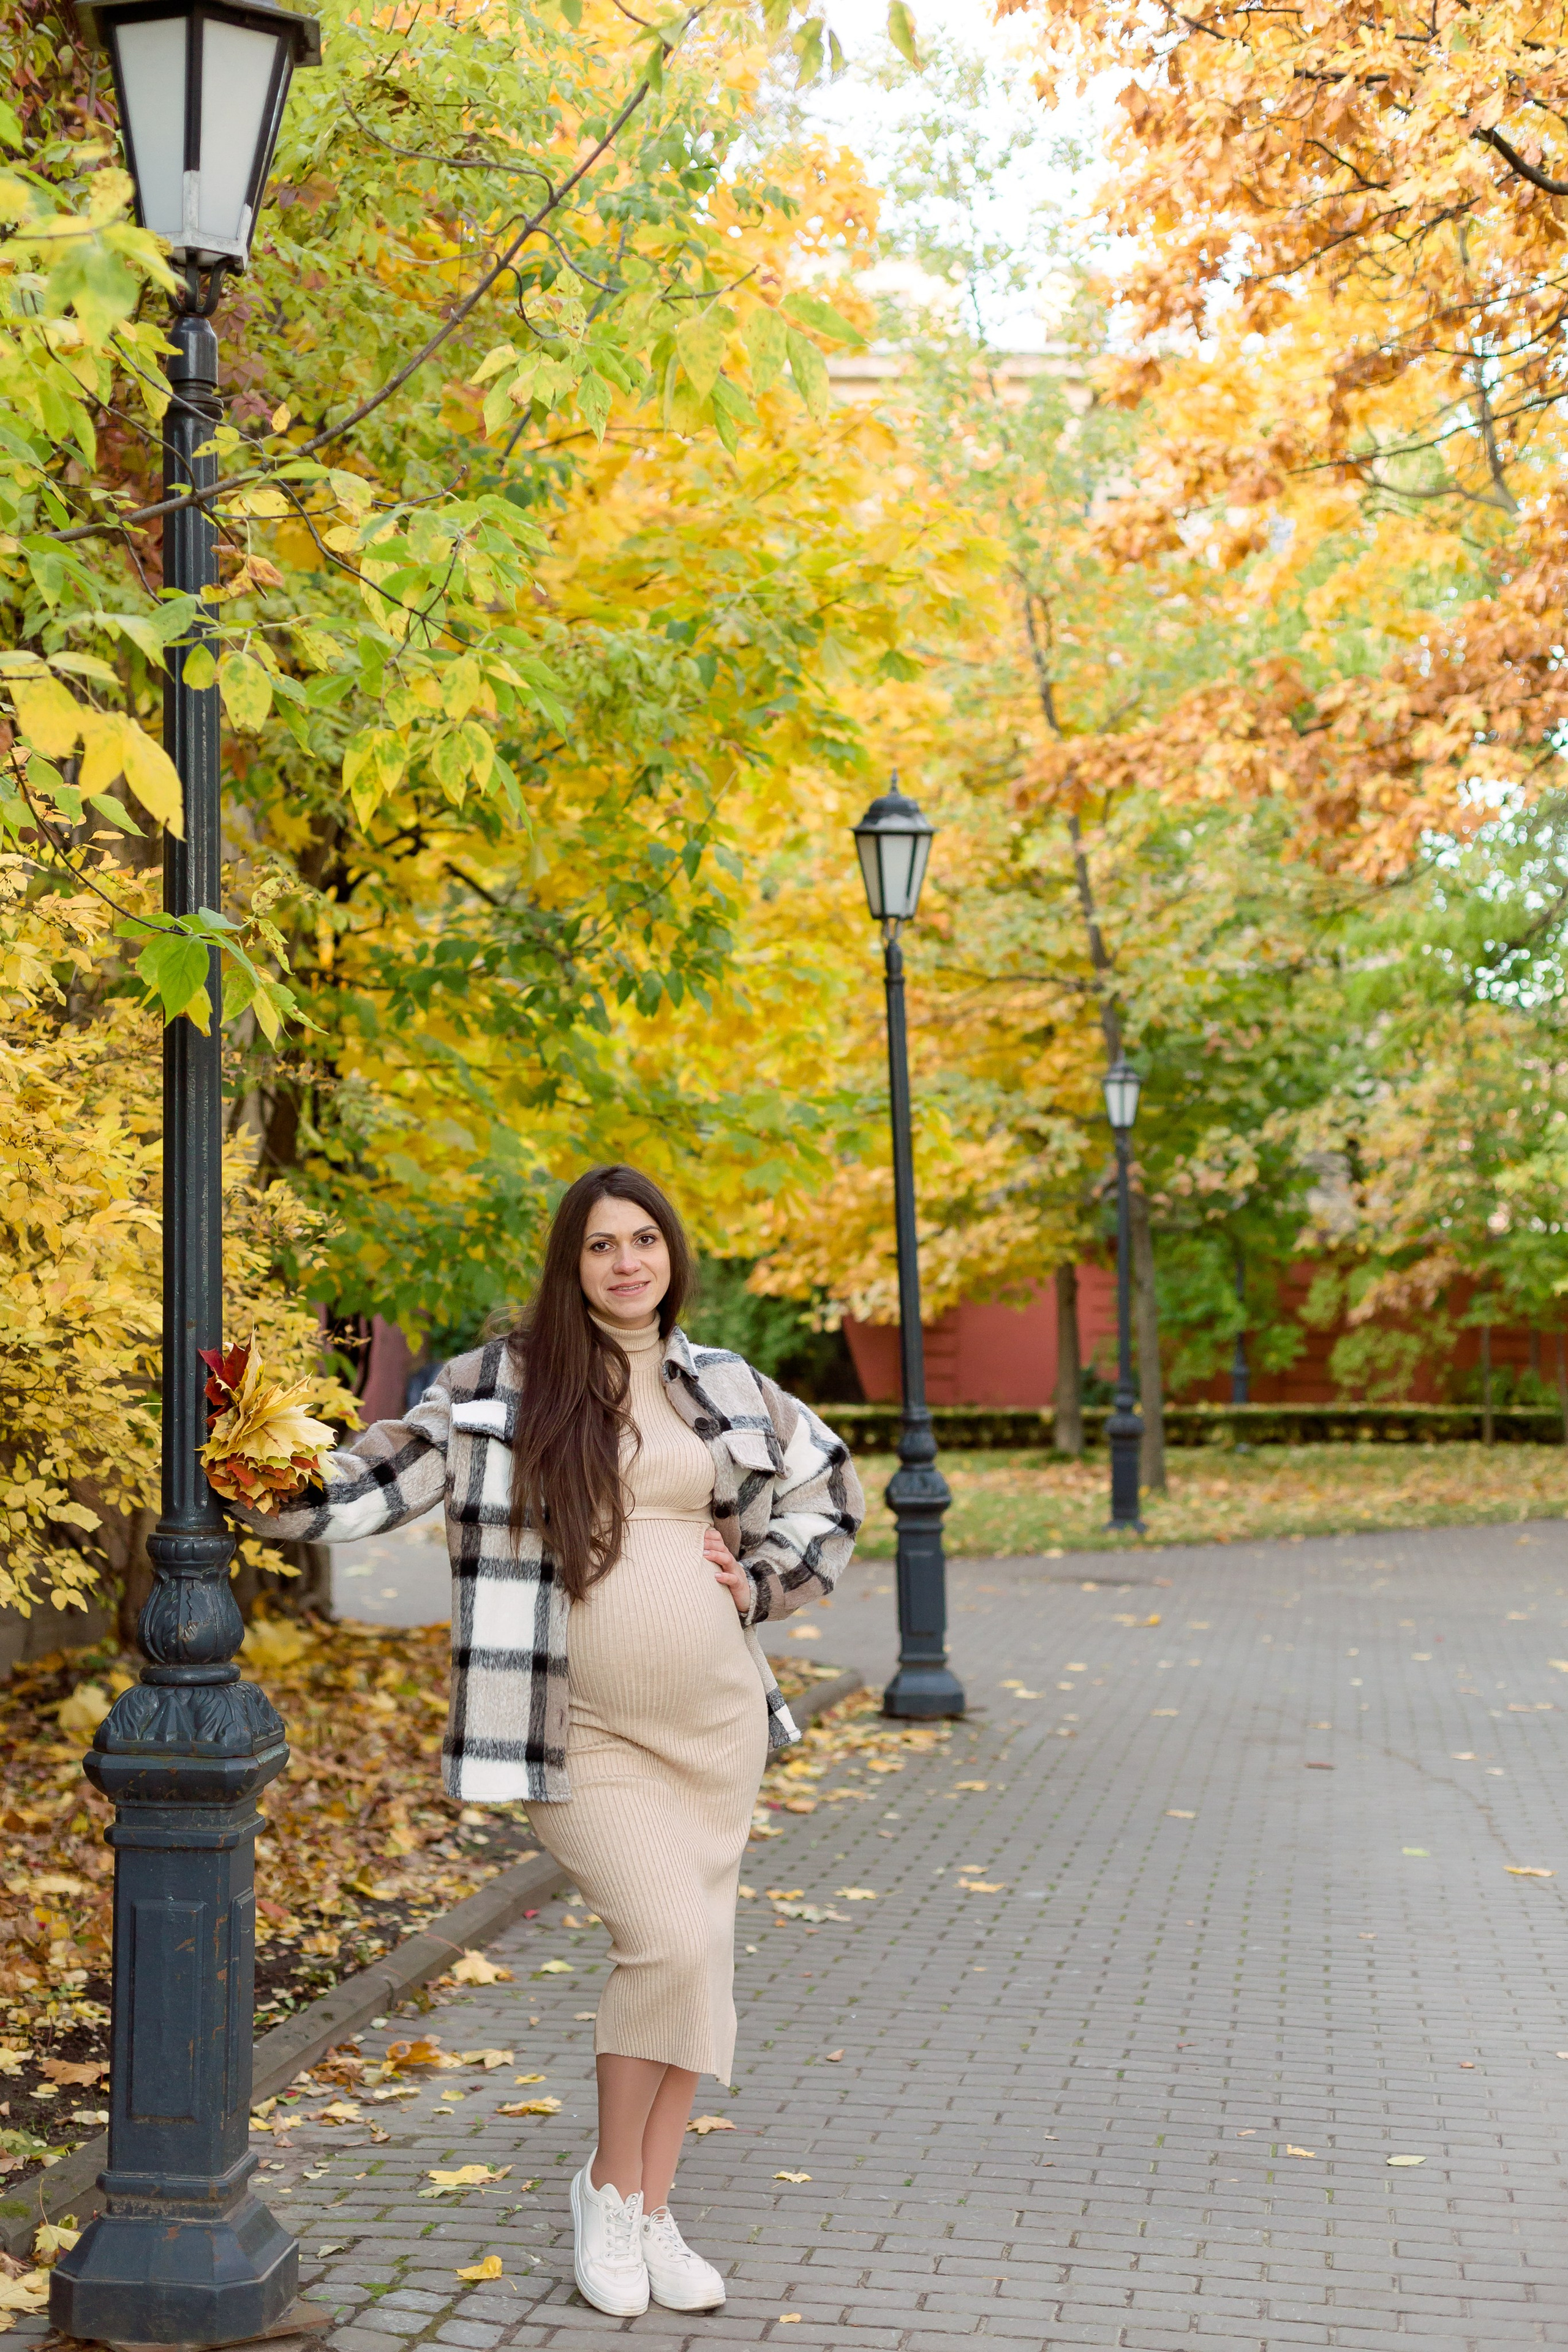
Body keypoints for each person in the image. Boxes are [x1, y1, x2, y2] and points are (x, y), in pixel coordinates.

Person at [216, 1164, 864, 2317]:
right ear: (571, 1264)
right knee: (664, 1943)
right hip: (577, 1728)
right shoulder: (497, 1386)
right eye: (603, 1245)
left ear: (673, 1256)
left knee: (696, 1964)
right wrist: (253, 1467)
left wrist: (761, 1579)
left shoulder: (725, 1385)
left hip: (716, 1727)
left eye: (646, 1242)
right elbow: (369, 1483)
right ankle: (610, 2198)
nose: (628, 1263)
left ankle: (653, 2211)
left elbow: (832, 1491)